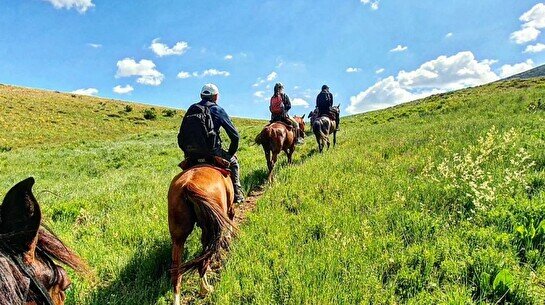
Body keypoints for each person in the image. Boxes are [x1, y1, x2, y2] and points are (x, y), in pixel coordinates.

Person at [178, 83, 244, 203]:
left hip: (191, 154)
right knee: (234, 163)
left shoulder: (191, 109)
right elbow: (235, 136)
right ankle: (237, 194)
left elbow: (181, 135)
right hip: (212, 152)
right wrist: (230, 154)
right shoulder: (217, 110)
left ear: (201, 95)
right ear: (216, 96)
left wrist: (188, 151)